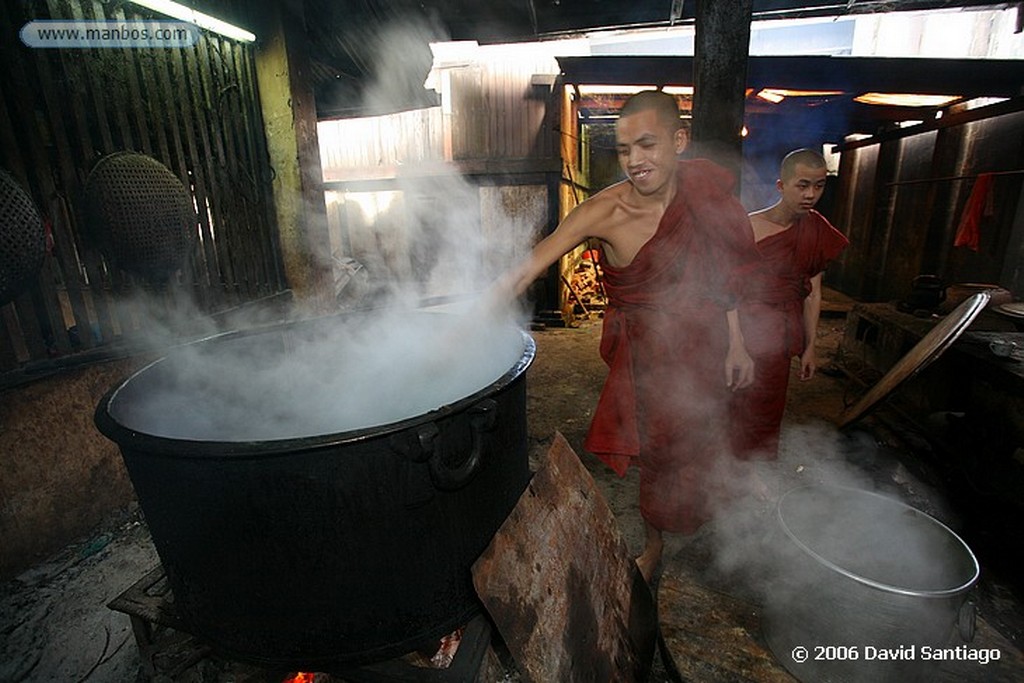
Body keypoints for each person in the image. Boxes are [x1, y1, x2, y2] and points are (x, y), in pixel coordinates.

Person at [501, 90, 762, 582]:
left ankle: (718, 526)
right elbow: (525, 269)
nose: (635, 161)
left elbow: (724, 276)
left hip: (705, 339)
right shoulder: (605, 212)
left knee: (710, 435)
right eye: (625, 150)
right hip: (647, 354)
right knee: (658, 453)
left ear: (679, 140)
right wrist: (460, 331)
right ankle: (656, 545)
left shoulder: (704, 196)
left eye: (648, 145)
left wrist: (738, 342)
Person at [729, 149, 849, 460]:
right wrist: (736, 346)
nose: (811, 194)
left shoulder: (816, 230)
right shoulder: (749, 227)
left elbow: (813, 293)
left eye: (820, 186)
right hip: (740, 331)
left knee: (769, 409)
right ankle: (723, 479)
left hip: (780, 337)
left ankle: (759, 474)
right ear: (781, 185)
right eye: (803, 185)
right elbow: (726, 291)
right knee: (732, 407)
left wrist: (811, 346)